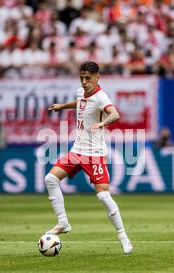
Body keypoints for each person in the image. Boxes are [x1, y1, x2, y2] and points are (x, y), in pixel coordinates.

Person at [44, 61, 132, 255]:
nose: (84, 82)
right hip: (77, 150)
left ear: (97, 77)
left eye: (88, 79)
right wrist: (62, 107)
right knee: (50, 179)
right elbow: (80, 104)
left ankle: (123, 237)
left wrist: (102, 124)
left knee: (103, 195)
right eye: (81, 78)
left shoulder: (101, 97)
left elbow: (115, 114)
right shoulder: (80, 92)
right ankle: (63, 222)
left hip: (95, 154)